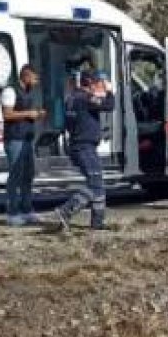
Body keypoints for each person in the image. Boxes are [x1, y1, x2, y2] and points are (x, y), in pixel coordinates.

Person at [50, 70, 114, 231]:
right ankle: (65, 211)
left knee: (97, 183)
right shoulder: (85, 98)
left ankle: (97, 223)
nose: (96, 87)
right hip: (84, 147)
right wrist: (110, 91)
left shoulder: (71, 99)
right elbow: (109, 105)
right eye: (95, 83)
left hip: (80, 146)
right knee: (95, 184)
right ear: (90, 83)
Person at [0, 65, 44, 227]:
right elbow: (7, 114)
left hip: (27, 139)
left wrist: (37, 114)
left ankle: (27, 210)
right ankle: (12, 213)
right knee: (16, 175)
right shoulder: (10, 91)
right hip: (14, 139)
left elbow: (24, 112)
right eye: (34, 78)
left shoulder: (27, 91)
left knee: (28, 174)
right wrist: (28, 114)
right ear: (26, 76)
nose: (36, 82)